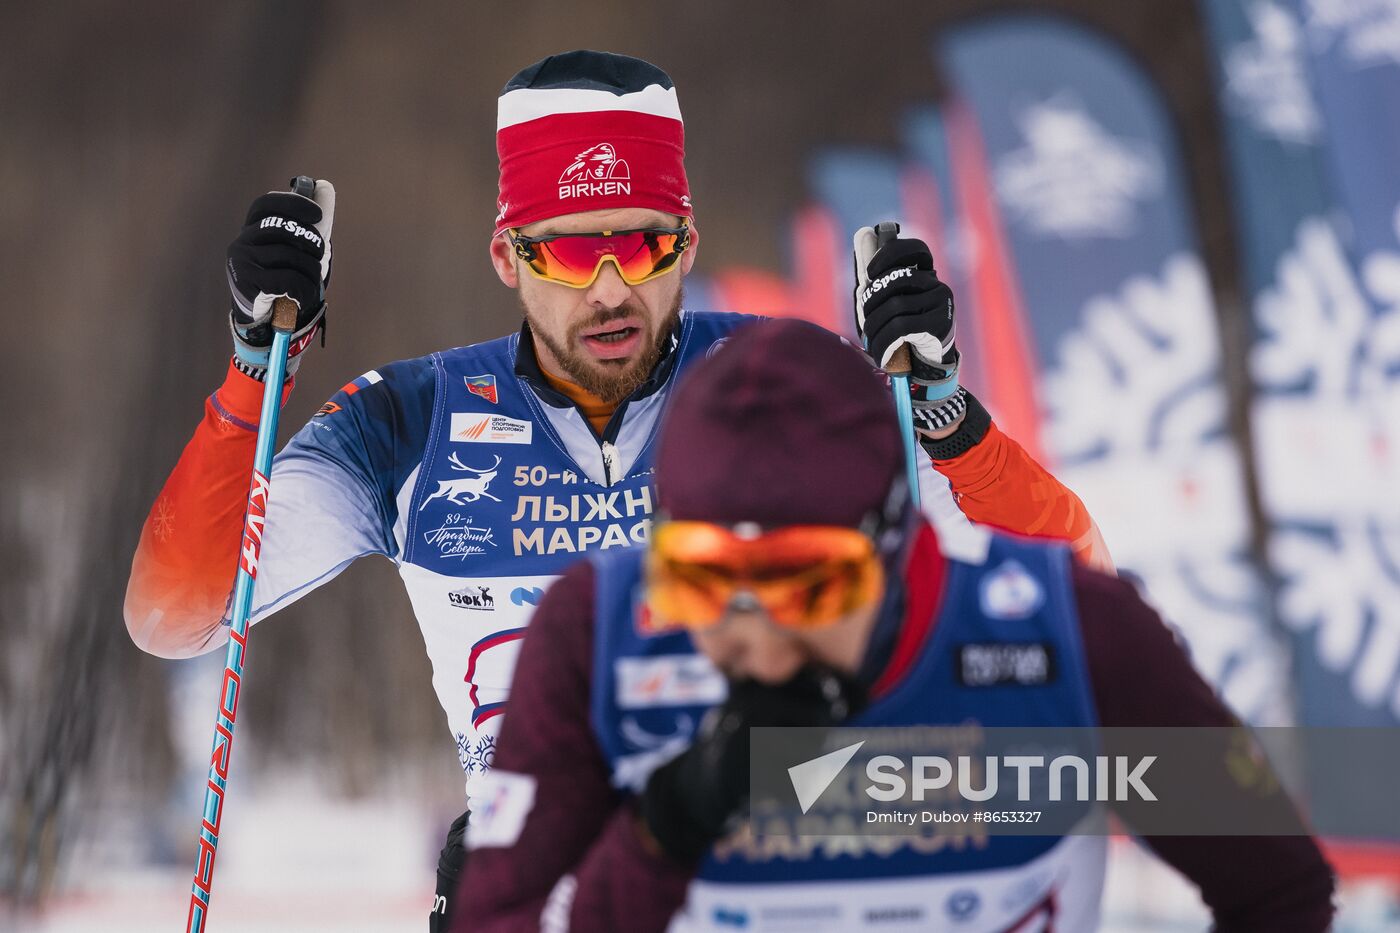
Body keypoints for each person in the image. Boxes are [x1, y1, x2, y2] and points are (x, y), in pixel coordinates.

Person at [123, 51, 1108, 928]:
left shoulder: (783, 379)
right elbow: (179, 612)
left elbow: (1067, 580)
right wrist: (257, 365)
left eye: (638, 246)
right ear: (508, 257)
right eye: (566, 249)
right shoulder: (410, 416)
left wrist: (935, 405)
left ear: (683, 243)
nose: (606, 290)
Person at [459, 321, 1335, 932]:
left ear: (896, 542)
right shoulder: (598, 633)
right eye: (707, 582)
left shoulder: (1071, 635)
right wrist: (664, 832)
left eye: (810, 586)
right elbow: (496, 918)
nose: (761, 645)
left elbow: (1280, 893)